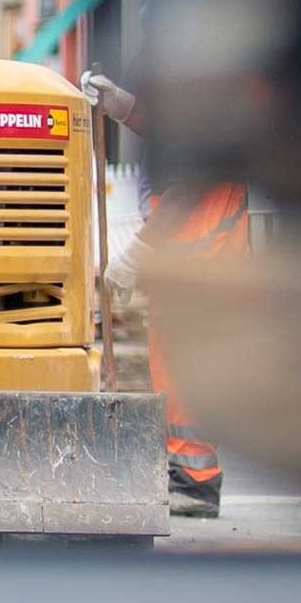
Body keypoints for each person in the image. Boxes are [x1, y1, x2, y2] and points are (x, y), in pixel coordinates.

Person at [81, 66, 246, 518]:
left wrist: (136, 254)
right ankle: (187, 474)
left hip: (203, 270)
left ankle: (195, 481)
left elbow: (187, 190)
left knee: (184, 375)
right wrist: (123, 107)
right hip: (194, 267)